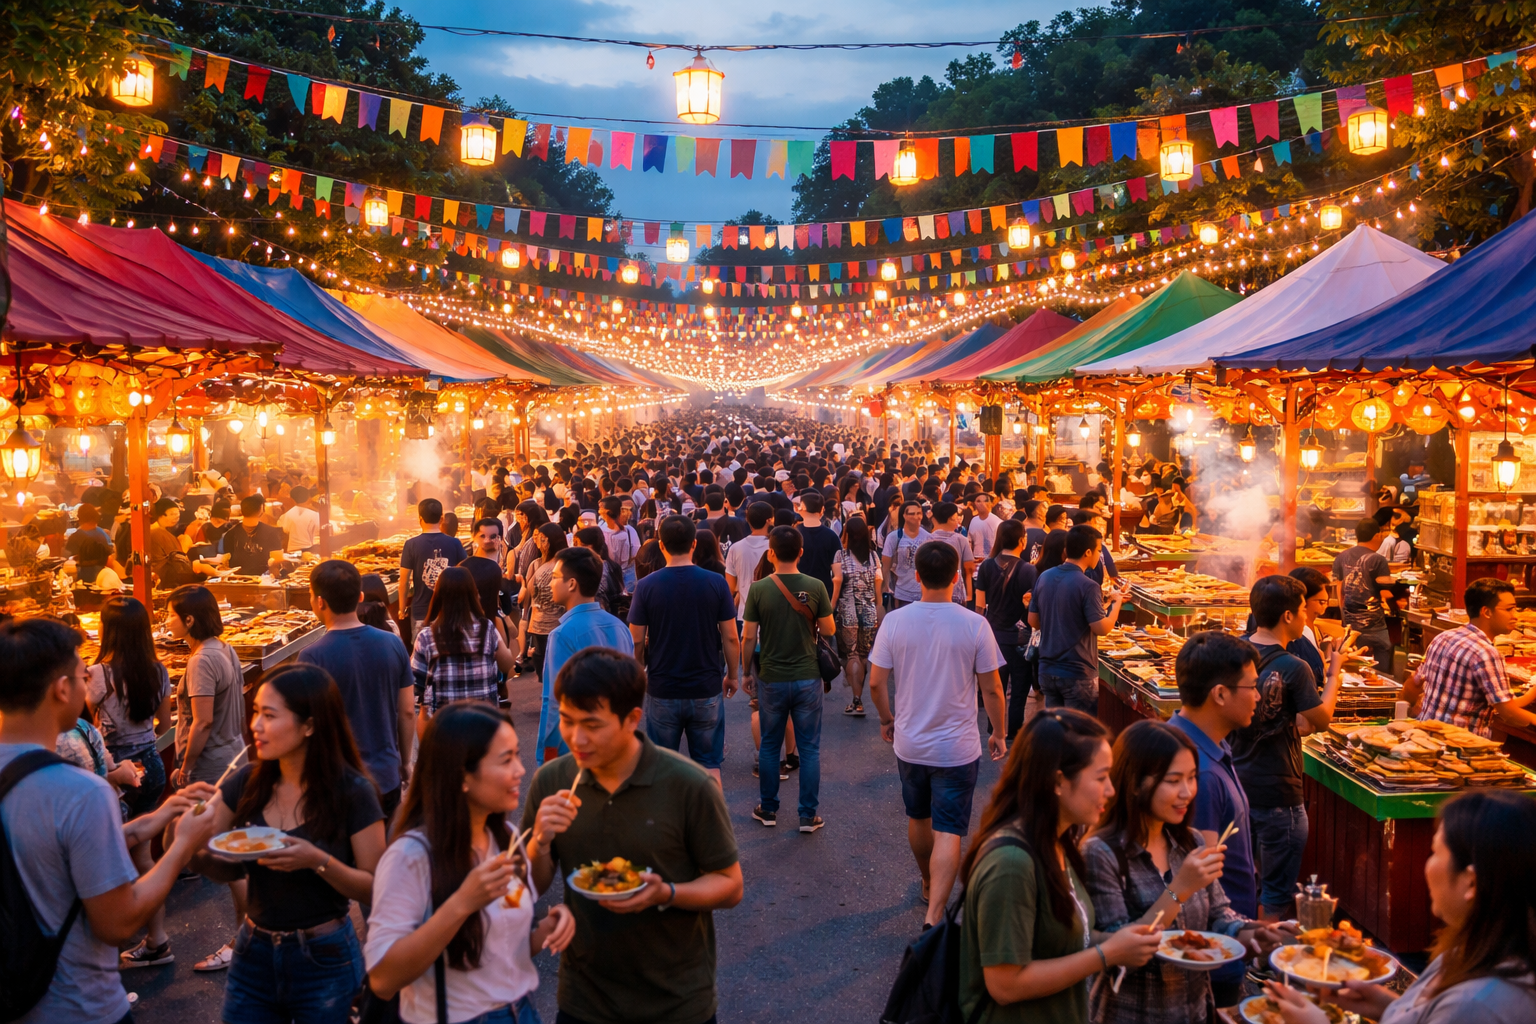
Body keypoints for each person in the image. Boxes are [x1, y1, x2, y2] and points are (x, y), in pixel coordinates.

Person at [0, 616, 221, 1024]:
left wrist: (151, 821)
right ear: (62, 689)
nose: (88, 685)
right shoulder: (82, 791)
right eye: (83, 676)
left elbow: (48, 852)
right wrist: (181, 845)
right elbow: (118, 922)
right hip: (75, 1006)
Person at [522, 648, 743, 1024]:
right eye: (566, 720)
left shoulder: (689, 785)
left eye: (592, 725)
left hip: (676, 1002)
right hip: (584, 1000)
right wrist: (539, 842)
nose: (576, 738)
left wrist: (666, 893)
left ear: (631, 719)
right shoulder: (553, 781)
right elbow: (532, 884)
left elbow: (730, 885)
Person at [190, 665, 386, 1024]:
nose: (256, 727)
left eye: (269, 715)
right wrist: (184, 832)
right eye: (255, 714)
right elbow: (209, 858)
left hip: (325, 957)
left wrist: (317, 860)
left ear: (309, 725)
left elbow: (377, 888)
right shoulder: (247, 781)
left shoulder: (353, 792)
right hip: (254, 951)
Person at [364, 702, 575, 1024]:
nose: (521, 770)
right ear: (462, 775)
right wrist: (461, 904)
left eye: (518, 755)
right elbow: (382, 979)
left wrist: (545, 930)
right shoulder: (411, 856)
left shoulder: (505, 836)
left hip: (521, 1012)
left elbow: (499, 952)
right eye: (507, 760)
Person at [958, 709, 1162, 1024]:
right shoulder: (1011, 864)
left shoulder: (1055, 841)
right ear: (1057, 781)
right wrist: (1106, 955)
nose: (1110, 790)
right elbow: (1005, 985)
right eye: (1100, 777)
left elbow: (1062, 940)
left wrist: (1119, 943)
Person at [1264, 789, 1536, 1024]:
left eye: (1435, 853)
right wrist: (1387, 1006)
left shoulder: (1477, 1005)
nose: (1426, 867)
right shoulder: (1476, 953)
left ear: (1472, 884)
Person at [1084, 720, 1290, 1023]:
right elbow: (1120, 953)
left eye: (1192, 778)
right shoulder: (1101, 852)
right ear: (1135, 782)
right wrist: (1178, 889)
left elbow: (1220, 918)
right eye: (1173, 780)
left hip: (1195, 1011)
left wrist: (1253, 933)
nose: (1187, 792)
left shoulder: (1189, 841)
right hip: (1130, 1013)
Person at [867, 541, 1006, 926]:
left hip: (910, 742)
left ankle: (928, 881)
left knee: (919, 817)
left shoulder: (895, 621)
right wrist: (999, 731)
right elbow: (992, 688)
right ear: (957, 579)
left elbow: (876, 683)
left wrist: (886, 719)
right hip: (957, 747)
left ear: (916, 576)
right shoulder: (974, 624)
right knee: (950, 828)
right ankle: (934, 914)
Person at [1233, 574, 1341, 918]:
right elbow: (1321, 719)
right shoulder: (1295, 667)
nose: (1308, 617)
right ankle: (1265, 964)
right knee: (1276, 893)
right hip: (1279, 791)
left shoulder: (1233, 651)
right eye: (1303, 611)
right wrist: (1335, 673)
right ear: (1288, 616)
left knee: (1240, 883)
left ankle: (1242, 953)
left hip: (1236, 784)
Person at [1167, 632, 1261, 1007]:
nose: (1257, 695)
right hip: (1213, 957)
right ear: (1220, 694)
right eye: (1252, 686)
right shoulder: (1198, 775)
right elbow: (1200, 882)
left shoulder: (1207, 747)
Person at [85, 596, 175, 968]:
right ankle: (157, 940)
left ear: (108, 630)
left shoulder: (97, 674)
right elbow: (166, 725)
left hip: (118, 772)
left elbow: (88, 727)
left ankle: (104, 950)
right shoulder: (159, 670)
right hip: (152, 766)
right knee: (141, 854)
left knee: (110, 861)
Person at [628, 514, 741, 785]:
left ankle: (667, 825)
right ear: (693, 544)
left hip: (662, 686)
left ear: (661, 545)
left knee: (662, 766)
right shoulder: (716, 583)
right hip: (706, 686)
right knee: (709, 764)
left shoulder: (645, 587)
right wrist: (733, 674)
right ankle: (711, 825)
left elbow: (636, 640)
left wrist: (641, 669)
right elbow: (731, 637)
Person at [298, 559, 416, 817]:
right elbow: (407, 711)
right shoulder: (392, 643)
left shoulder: (311, 657)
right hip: (386, 775)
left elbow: (308, 726)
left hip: (337, 782)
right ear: (360, 596)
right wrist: (405, 761)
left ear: (320, 602)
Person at [744, 525, 835, 832]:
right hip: (808, 676)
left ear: (770, 554)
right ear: (800, 553)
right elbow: (830, 629)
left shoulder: (758, 589)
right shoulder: (816, 585)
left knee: (770, 746)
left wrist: (745, 672)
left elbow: (747, 637)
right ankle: (808, 815)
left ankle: (768, 809)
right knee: (809, 749)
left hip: (771, 676)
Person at [536, 547, 634, 766]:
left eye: (554, 577)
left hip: (578, 746)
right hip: (616, 741)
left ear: (571, 584)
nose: (550, 583)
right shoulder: (620, 627)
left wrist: (547, 754)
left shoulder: (562, 635)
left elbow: (554, 701)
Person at [1408, 578, 1536, 737]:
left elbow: (1499, 704)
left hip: (1426, 738)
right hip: (1460, 748)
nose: (1515, 616)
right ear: (1486, 612)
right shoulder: (1486, 653)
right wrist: (1533, 718)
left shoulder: (1443, 637)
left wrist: (1531, 693)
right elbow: (1508, 713)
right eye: (1509, 609)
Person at [1029, 525, 1129, 713]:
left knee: (1057, 732)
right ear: (1088, 552)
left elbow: (1033, 621)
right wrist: (1116, 604)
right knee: (1079, 736)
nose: (1099, 556)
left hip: (1047, 670)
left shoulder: (1044, 577)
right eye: (1099, 551)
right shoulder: (1088, 585)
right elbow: (1101, 628)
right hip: (1077, 673)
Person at [413, 566, 517, 722]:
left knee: (423, 707)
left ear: (438, 596)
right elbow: (507, 664)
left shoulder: (426, 637)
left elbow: (415, 685)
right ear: (474, 594)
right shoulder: (486, 628)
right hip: (485, 723)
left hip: (444, 728)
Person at [167, 584, 246, 788]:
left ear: (189, 620)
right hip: (234, 753)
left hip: (210, 766)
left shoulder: (201, 660)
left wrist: (186, 767)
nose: (167, 622)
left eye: (170, 615)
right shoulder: (225, 647)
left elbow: (203, 722)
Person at [976, 519, 1038, 739]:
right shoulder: (1029, 570)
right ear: (1022, 540)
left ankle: (994, 727)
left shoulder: (986, 565)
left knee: (995, 686)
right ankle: (1013, 730)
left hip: (993, 635)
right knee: (1020, 687)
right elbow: (1034, 606)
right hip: (1020, 638)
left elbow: (980, 606)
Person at [829, 514, 881, 716]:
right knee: (863, 655)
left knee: (850, 655)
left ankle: (856, 700)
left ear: (847, 534)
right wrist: (877, 608)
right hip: (869, 612)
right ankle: (859, 696)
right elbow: (878, 587)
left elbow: (837, 583)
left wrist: (831, 608)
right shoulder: (873, 556)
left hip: (847, 611)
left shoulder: (840, 556)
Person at [1332, 518, 1397, 673]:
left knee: (1351, 666)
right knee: (1382, 662)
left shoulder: (1340, 557)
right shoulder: (1378, 559)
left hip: (1349, 625)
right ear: (1377, 536)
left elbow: (1338, 590)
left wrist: (1344, 618)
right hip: (1375, 625)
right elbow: (1385, 593)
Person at [400, 499, 468, 644]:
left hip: (421, 613)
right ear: (442, 518)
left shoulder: (411, 544)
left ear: (420, 519)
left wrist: (401, 609)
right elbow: (465, 574)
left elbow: (404, 581)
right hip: (450, 611)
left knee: (421, 656)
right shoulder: (455, 543)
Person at [519, 523, 569, 682]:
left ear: (547, 541)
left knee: (549, 672)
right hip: (554, 623)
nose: (536, 542)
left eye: (539, 538)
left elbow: (537, 597)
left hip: (545, 625)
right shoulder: (556, 563)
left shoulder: (549, 567)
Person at [723, 501, 773, 623]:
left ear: (748, 520)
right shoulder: (775, 547)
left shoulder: (735, 548)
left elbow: (730, 587)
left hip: (744, 613)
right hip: (773, 613)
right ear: (769, 520)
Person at [219, 495, 286, 576]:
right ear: (261, 510)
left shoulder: (230, 534)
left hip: (237, 580)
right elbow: (278, 558)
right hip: (263, 579)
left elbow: (226, 562)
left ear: (242, 510)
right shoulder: (271, 532)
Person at [881, 500, 931, 609]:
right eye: (912, 514)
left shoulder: (928, 537)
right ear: (904, 515)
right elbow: (886, 564)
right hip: (902, 592)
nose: (916, 517)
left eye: (919, 513)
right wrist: (885, 586)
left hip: (924, 593)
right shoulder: (894, 537)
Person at [794, 489, 842, 598]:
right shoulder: (831, 536)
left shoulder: (794, 534)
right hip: (823, 594)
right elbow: (838, 576)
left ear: (802, 509)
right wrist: (832, 605)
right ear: (822, 510)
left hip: (798, 594)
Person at [928, 501, 976, 605]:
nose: (957, 522)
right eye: (955, 518)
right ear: (950, 519)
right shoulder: (961, 540)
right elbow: (968, 569)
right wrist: (969, 596)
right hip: (955, 592)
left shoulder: (926, 539)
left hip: (930, 593)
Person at [600, 496, 641, 592]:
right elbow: (636, 554)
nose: (629, 513)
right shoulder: (629, 531)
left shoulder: (600, 530)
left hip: (611, 577)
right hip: (626, 577)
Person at [66, 502, 113, 584]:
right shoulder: (102, 533)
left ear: (79, 517)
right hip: (104, 578)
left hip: (82, 580)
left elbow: (67, 562)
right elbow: (110, 559)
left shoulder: (75, 537)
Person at [277, 486, 321, 552]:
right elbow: (320, 530)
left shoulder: (287, 514)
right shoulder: (314, 514)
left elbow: (283, 528)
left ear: (292, 499)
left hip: (292, 550)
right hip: (310, 550)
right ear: (308, 497)